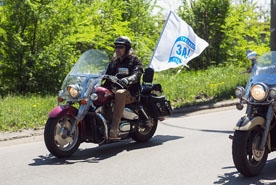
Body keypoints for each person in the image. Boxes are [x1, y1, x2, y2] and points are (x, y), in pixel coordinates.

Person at [105, 36, 143, 140]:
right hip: (113, 89)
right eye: (116, 47)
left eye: (121, 47)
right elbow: (105, 73)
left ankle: (114, 128)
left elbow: (137, 73)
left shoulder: (134, 60)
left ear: (127, 48)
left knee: (120, 93)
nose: (118, 49)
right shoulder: (114, 61)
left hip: (130, 92)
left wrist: (128, 79)